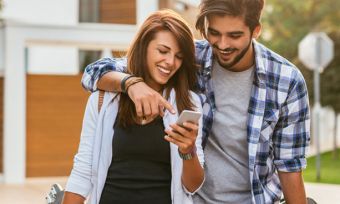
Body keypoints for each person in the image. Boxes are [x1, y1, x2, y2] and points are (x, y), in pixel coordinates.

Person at [81, 0, 310, 203]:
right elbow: (94, 72)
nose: (221, 44)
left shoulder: (286, 81)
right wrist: (132, 83)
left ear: (256, 30)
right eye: (214, 33)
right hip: (193, 198)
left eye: (234, 35)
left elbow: (289, 168)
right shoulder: (190, 57)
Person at [63, 9, 205, 204]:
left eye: (179, 56)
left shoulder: (187, 103)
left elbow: (192, 186)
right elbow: (82, 171)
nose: (171, 62)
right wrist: (132, 84)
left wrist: (188, 151)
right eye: (163, 51)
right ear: (144, 46)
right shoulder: (104, 99)